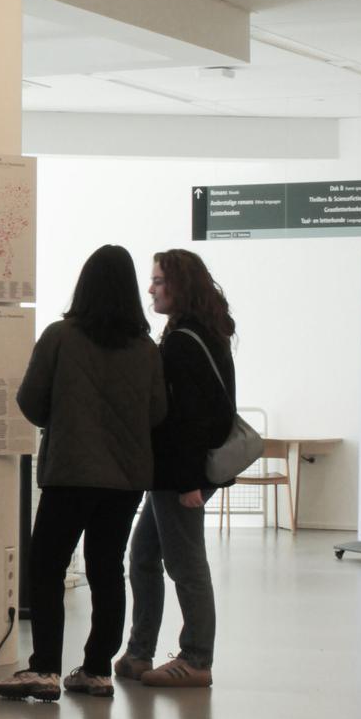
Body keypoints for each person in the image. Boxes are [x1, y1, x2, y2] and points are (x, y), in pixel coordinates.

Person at [0, 245, 166, 702]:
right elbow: (157, 412)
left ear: (84, 285)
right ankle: (96, 670)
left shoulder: (60, 336)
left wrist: (64, 415)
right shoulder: (146, 350)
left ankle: (45, 669)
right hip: (125, 479)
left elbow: (31, 402)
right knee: (107, 569)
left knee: (46, 567)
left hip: (70, 472)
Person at [115, 248, 235, 689]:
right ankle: (139, 651)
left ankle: (197, 658)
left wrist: (188, 483)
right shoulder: (198, 333)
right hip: (174, 475)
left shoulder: (185, 342)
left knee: (185, 564)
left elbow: (190, 420)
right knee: (144, 555)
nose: (150, 289)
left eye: (159, 281)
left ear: (180, 286)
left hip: (181, 476)